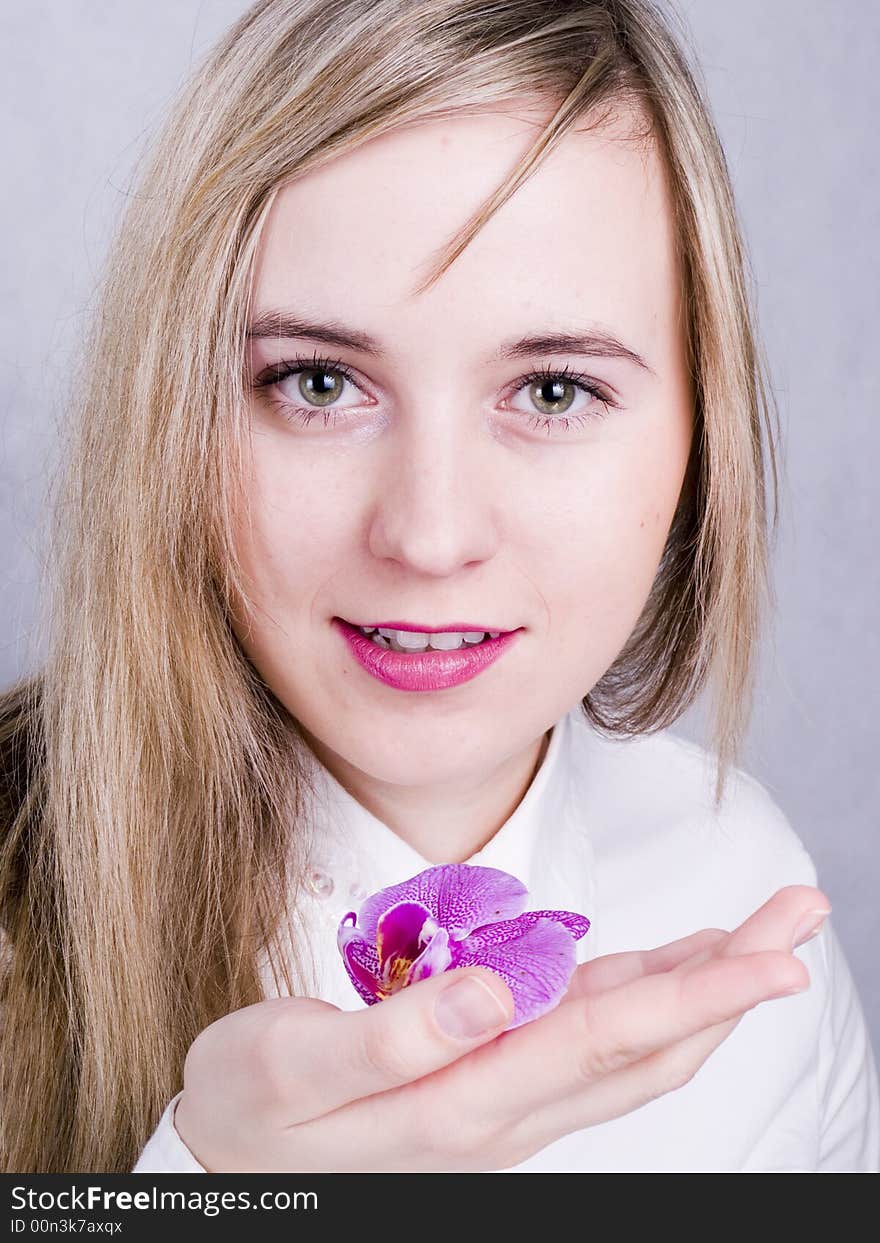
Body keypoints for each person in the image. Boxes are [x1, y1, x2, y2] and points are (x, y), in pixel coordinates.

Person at [1, 0, 877, 1175]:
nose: (427, 534)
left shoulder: (742, 891)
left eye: (553, 392)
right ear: (176, 411)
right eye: (316, 383)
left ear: (697, 441)